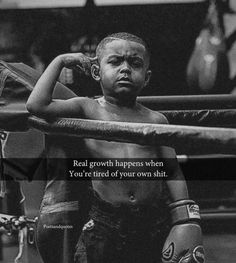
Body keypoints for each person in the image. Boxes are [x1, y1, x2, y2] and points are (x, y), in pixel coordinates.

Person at [26, 32, 204, 263]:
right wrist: (62, 60)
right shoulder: (87, 109)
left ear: (147, 77)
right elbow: (36, 104)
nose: (126, 68)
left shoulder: (156, 120)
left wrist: (185, 219)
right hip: (105, 222)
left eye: (135, 63)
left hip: (153, 220)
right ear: (97, 72)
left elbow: (172, 170)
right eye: (115, 61)